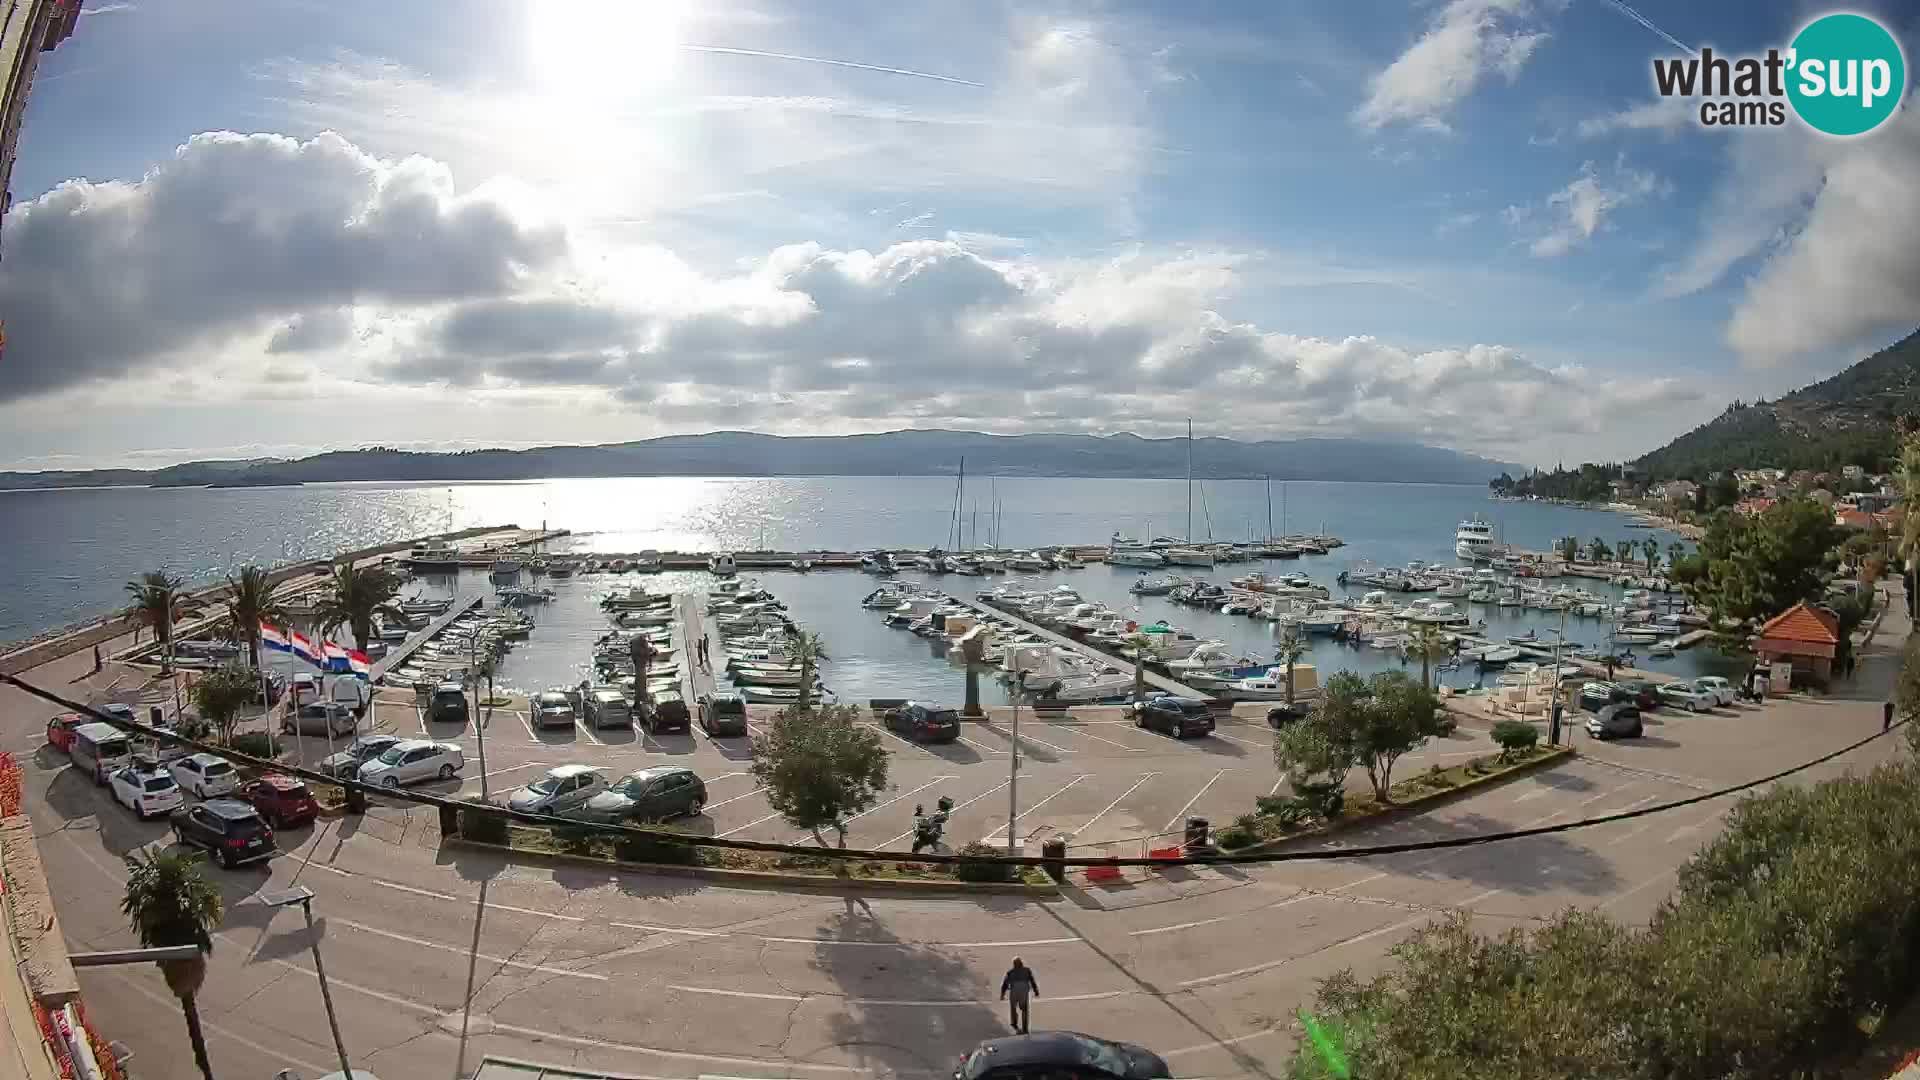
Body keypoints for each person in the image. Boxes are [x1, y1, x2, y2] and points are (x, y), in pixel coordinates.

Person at [1000, 957, 1039, 1034]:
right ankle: (1025, 1028)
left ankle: (1014, 1024)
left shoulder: (1010, 972)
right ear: (1022, 963)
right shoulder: (1027, 970)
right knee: (1024, 1009)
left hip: (1014, 989)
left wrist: (1002, 994)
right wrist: (1036, 991)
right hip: (1024, 989)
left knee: (1013, 1008)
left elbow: (1005, 984)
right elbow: (1032, 980)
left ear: (1014, 964)